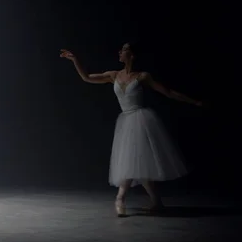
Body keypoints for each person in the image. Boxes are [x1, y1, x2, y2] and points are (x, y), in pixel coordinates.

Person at [60, 43, 202, 217]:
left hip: (141, 120)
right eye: (120, 49)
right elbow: (87, 77)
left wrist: (194, 102)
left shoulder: (142, 76)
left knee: (135, 161)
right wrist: (75, 60)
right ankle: (156, 202)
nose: (120, 52)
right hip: (126, 121)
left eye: (124, 49)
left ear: (132, 55)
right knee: (137, 162)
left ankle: (121, 198)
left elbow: (169, 92)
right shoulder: (113, 75)